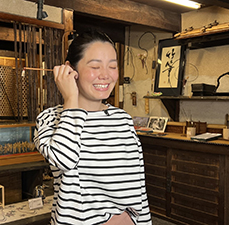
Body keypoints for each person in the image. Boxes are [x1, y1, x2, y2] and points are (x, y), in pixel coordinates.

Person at [34, 30, 152, 225]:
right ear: (70, 70)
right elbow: (65, 160)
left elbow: (138, 189)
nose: (105, 75)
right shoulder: (49, 119)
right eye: (95, 66)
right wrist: (71, 99)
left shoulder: (122, 119)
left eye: (112, 66)